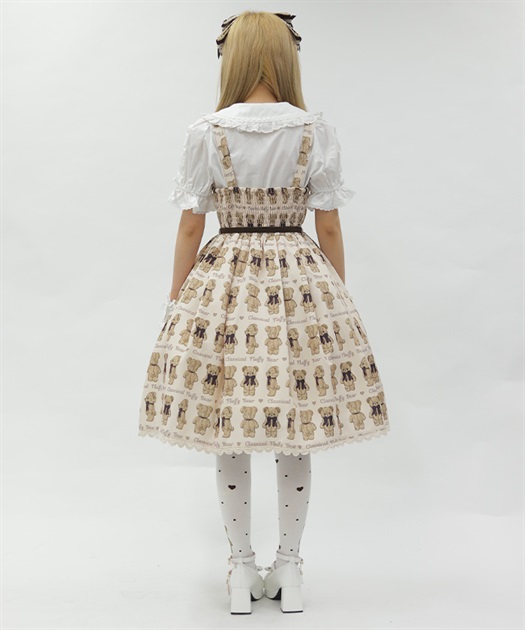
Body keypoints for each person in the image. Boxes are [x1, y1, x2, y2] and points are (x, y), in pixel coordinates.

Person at [138, 10, 390, 614]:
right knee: (294, 427)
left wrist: (175, 301)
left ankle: (241, 569)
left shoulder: (207, 131)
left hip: (225, 281)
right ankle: (291, 568)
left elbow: (191, 225)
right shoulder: (313, 130)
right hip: (296, 279)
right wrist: (335, 301)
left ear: (233, 56)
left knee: (232, 422)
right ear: (284, 56)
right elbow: (329, 225)